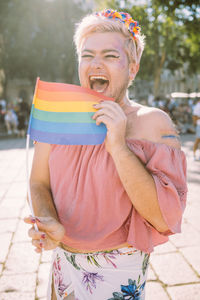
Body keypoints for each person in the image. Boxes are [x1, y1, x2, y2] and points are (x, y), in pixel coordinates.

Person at [24, 9, 187, 300]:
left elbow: (165, 219)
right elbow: (38, 183)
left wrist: (119, 148)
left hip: (118, 270)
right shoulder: (57, 115)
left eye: (110, 56)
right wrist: (49, 221)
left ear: (132, 67)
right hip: (63, 263)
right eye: (87, 56)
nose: (96, 64)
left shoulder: (154, 123)